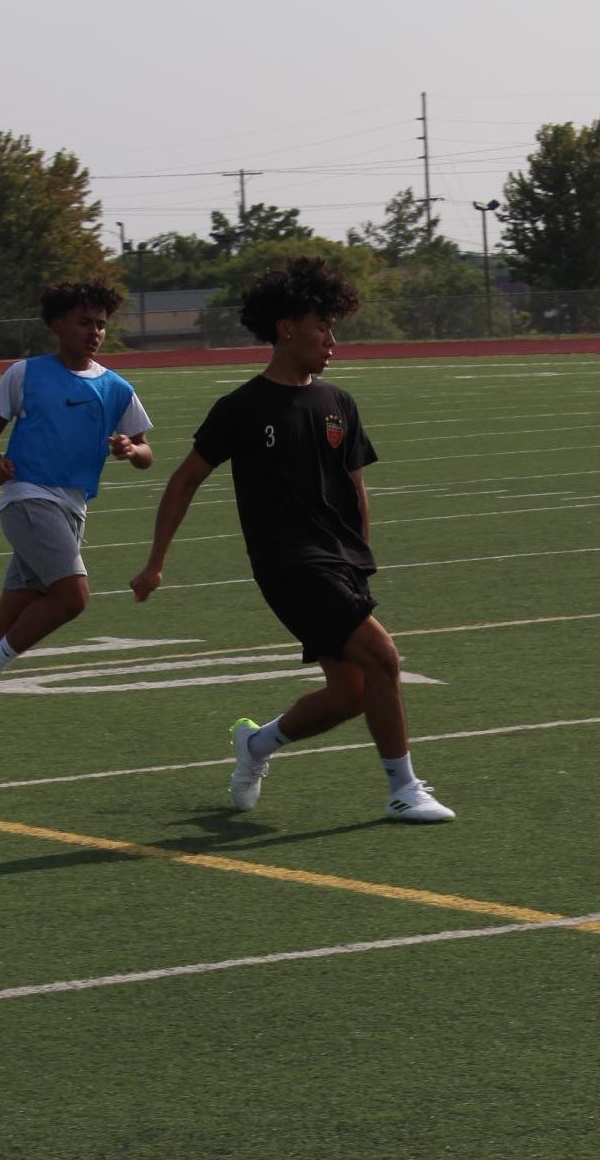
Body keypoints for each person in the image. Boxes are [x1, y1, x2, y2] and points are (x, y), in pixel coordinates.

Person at [129, 256, 454, 824]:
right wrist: (156, 562)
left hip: (339, 562)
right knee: (383, 656)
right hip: (288, 565)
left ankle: (256, 744)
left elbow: (355, 489)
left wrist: (360, 558)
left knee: (350, 694)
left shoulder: (340, 404)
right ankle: (403, 788)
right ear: (286, 326)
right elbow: (184, 481)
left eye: (334, 327)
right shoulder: (242, 408)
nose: (332, 339)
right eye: (322, 325)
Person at [0, 278, 153, 767]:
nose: (94, 331)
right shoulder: (25, 373)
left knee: (9, 617)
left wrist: (131, 449)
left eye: (100, 323)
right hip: (27, 498)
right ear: (57, 324)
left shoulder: (117, 388)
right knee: (73, 595)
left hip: (72, 510)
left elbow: (146, 453)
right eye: (83, 322)